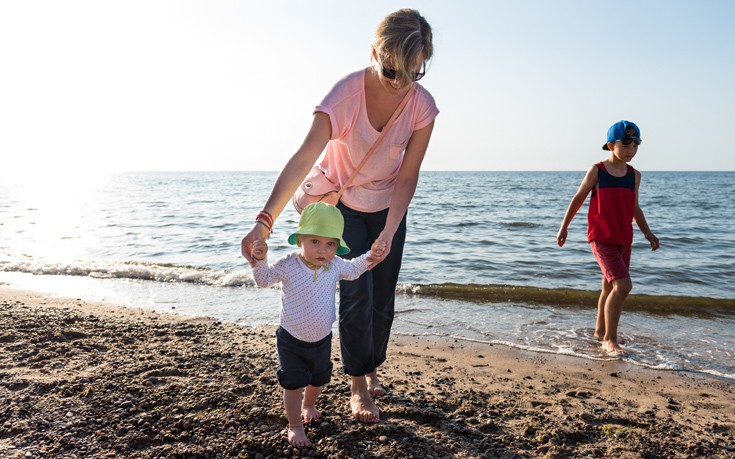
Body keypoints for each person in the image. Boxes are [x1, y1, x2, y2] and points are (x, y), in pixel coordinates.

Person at [241, 8, 438, 422]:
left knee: (382, 301)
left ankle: (370, 368)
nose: (401, 82)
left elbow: (408, 174)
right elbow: (302, 158)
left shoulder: (422, 106)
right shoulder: (345, 95)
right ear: (375, 51)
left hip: (388, 207)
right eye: (392, 70)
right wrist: (265, 220)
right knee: (355, 298)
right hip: (344, 208)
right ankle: (358, 388)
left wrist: (390, 228)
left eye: (412, 73)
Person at [250, 202, 386, 447]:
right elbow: (264, 280)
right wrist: (260, 260)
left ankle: (309, 405)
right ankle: (294, 426)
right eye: (315, 241)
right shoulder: (289, 264)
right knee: (293, 384)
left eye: (330, 244)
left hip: (322, 338)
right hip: (291, 338)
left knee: (319, 378)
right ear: (300, 239)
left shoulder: (333, 266)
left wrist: (370, 257)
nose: (322, 250)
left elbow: (355, 269)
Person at [556, 120, 660, 357]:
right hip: (601, 238)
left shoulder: (634, 176)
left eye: (636, 144)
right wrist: (564, 227)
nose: (631, 149)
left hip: (624, 239)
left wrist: (648, 233)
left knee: (608, 287)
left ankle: (599, 331)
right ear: (611, 145)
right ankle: (609, 340)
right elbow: (578, 198)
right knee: (623, 286)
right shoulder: (598, 171)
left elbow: (635, 209)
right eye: (626, 144)